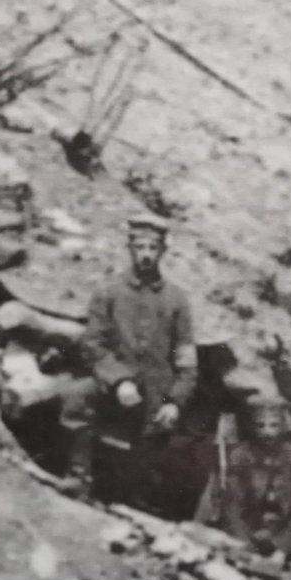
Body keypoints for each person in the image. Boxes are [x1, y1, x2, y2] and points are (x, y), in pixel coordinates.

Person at [60, 213, 198, 512]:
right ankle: (78, 475)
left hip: (154, 391)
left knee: (162, 438)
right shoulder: (108, 292)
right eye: (140, 246)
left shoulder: (177, 300)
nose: (146, 254)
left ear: (163, 250)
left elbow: (186, 359)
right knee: (77, 397)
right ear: (130, 248)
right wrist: (119, 379)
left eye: (153, 247)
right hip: (112, 383)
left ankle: (135, 499)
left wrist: (175, 400)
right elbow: (92, 343)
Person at [198, 393, 291, 560]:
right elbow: (232, 504)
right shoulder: (240, 456)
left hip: (282, 533)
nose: (267, 432)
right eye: (260, 426)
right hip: (246, 531)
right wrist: (244, 542)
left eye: (274, 426)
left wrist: (281, 544)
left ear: (283, 427)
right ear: (252, 427)